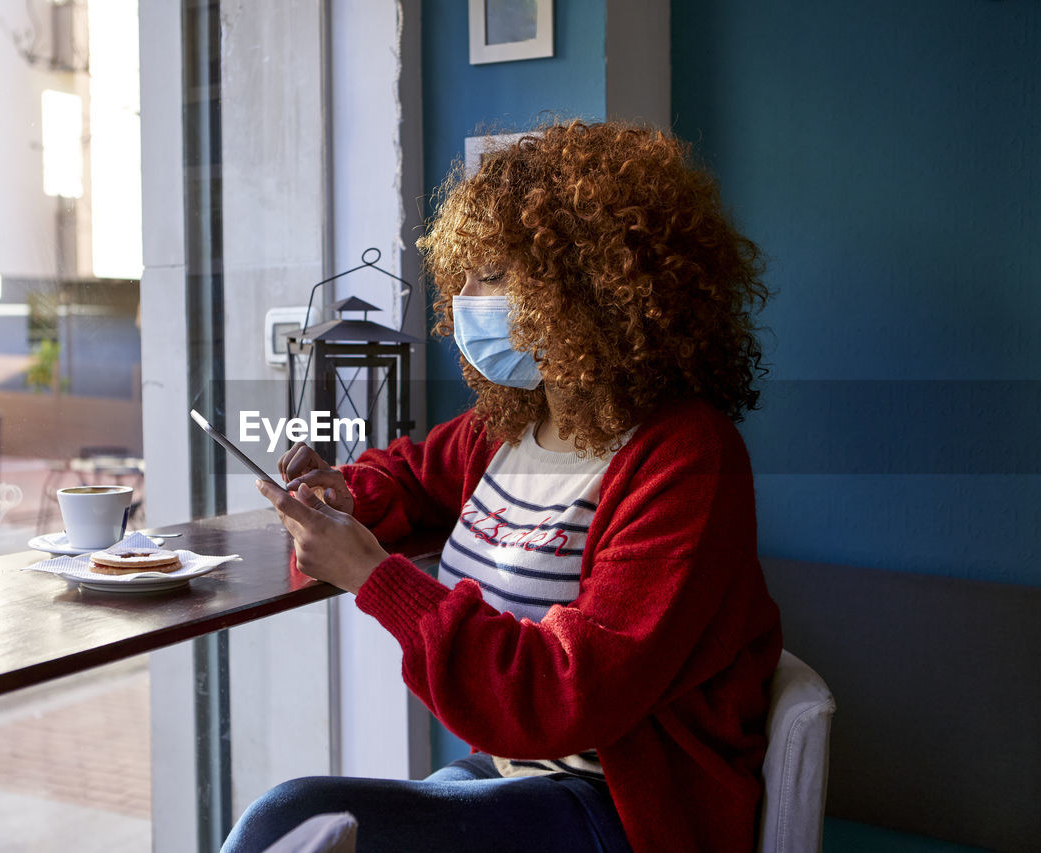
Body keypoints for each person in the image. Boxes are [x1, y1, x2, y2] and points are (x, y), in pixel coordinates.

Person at [226, 120, 783, 853]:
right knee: (291, 818)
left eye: (488, 273)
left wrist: (373, 576)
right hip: (508, 776)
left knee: (285, 817)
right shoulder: (511, 428)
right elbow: (412, 473)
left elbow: (564, 693)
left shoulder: (687, 459)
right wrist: (350, 494)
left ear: (583, 286)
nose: (461, 300)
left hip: (627, 811)